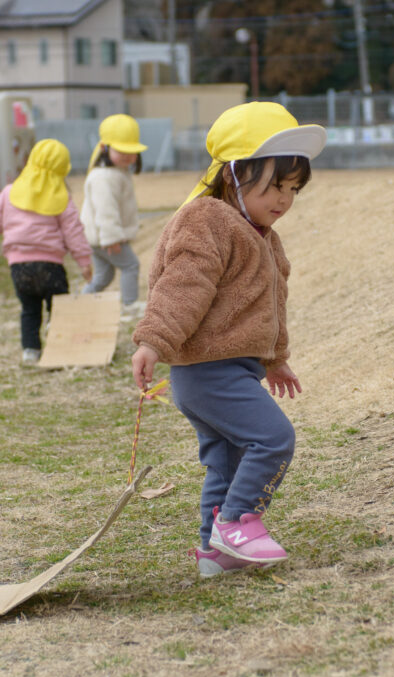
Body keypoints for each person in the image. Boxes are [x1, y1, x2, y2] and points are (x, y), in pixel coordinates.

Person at [130, 102, 327, 577]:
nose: (284, 199)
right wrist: (153, 340)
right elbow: (183, 286)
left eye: (293, 189)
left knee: (228, 461)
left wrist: (275, 359)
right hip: (208, 372)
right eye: (275, 185)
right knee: (273, 438)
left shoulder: (262, 235)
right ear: (233, 174)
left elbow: (270, 304)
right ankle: (237, 523)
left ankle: (214, 554)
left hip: (229, 370)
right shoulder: (207, 220)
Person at [0, 138, 93, 365]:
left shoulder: (9, 193)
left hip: (19, 267)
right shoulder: (61, 197)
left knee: (29, 309)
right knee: (59, 306)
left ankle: (30, 350)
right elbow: (73, 231)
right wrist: (84, 261)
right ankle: (57, 340)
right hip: (51, 266)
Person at [80, 114, 148, 321]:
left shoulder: (115, 172)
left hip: (98, 237)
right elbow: (105, 210)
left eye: (131, 151)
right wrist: (112, 238)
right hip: (106, 237)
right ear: (104, 148)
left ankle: (81, 303)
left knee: (103, 277)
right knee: (130, 265)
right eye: (121, 151)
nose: (127, 156)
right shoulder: (104, 177)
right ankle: (129, 305)